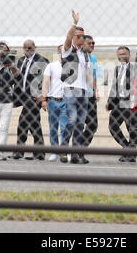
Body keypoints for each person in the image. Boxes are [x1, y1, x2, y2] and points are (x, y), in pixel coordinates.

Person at [60, 10, 95, 164]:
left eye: (83, 36)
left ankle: (75, 154)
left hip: (83, 91)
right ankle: (63, 150)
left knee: (81, 123)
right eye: (78, 36)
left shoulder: (84, 54)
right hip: (70, 89)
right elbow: (68, 38)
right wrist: (74, 24)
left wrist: (92, 88)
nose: (81, 38)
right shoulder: (68, 50)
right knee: (72, 119)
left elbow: (86, 72)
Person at [12, 40, 49, 160]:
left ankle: (19, 152)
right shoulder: (21, 60)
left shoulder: (41, 61)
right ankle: (39, 152)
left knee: (22, 123)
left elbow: (46, 80)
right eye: (25, 48)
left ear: (35, 47)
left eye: (30, 47)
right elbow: (18, 78)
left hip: (34, 97)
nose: (28, 50)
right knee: (34, 124)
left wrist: (43, 96)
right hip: (22, 96)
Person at [106, 46, 137, 162]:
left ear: (129, 55)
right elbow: (114, 85)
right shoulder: (117, 68)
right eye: (120, 54)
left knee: (131, 129)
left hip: (130, 102)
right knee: (112, 127)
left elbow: (136, 86)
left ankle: (131, 155)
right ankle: (127, 149)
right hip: (117, 103)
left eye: (124, 54)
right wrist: (109, 101)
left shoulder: (135, 68)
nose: (122, 56)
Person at [41, 45, 67, 162]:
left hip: (66, 101)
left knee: (64, 128)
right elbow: (46, 82)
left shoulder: (72, 66)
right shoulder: (51, 66)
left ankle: (64, 152)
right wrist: (44, 99)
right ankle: (54, 151)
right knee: (53, 128)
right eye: (61, 50)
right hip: (52, 101)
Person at [82, 35, 99, 147]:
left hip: (90, 95)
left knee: (93, 125)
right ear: (82, 44)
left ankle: (81, 148)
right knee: (78, 124)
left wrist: (95, 91)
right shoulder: (78, 57)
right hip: (79, 95)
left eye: (93, 43)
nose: (92, 45)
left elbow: (94, 76)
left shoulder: (93, 58)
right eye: (89, 43)